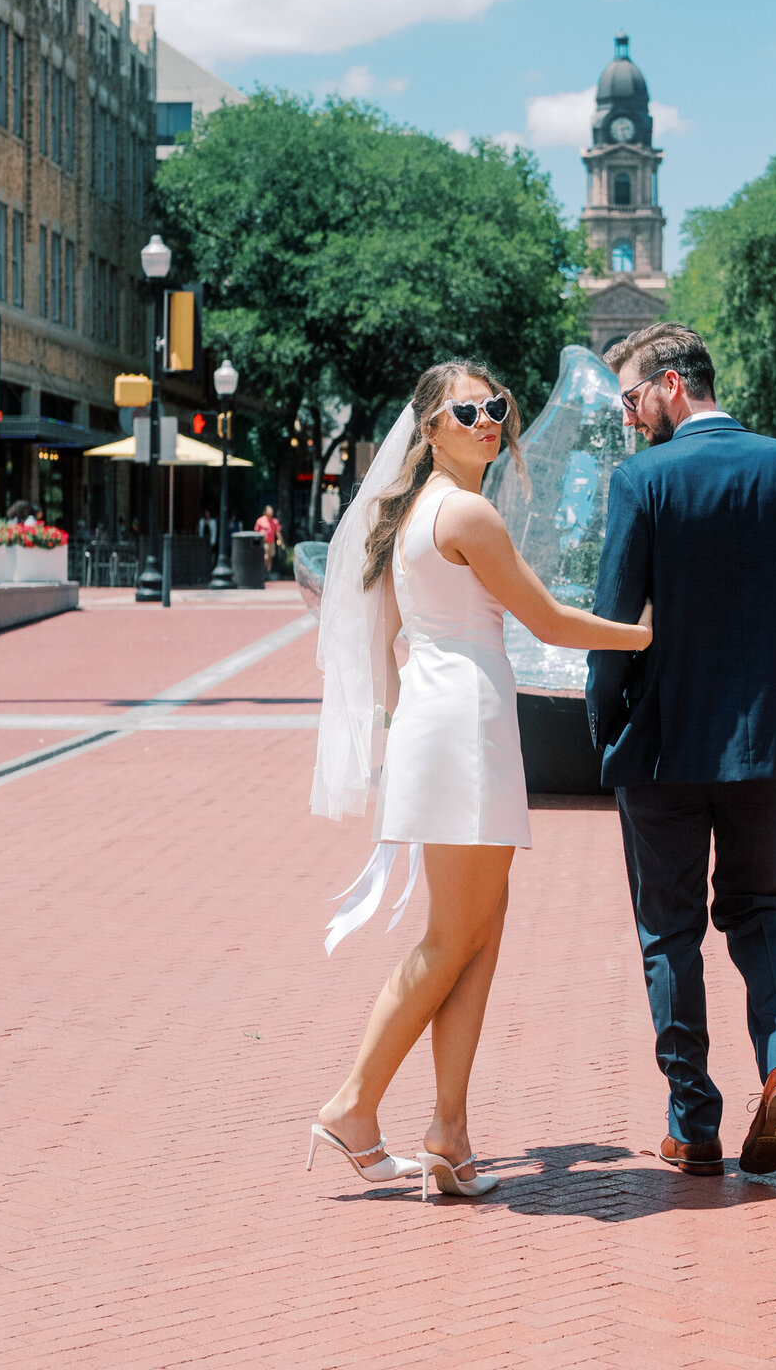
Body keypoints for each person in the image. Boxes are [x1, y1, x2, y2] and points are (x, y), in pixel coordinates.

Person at [308, 360, 651, 1200]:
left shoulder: (419, 513)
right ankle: (353, 1108)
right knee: (450, 940)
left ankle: (449, 1137)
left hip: (452, 720)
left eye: (497, 406)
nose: (489, 419)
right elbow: (549, 620)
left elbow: (394, 645)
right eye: (468, 411)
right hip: (464, 727)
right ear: (430, 428)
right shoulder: (464, 510)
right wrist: (653, 638)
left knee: (479, 936)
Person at [586, 323, 776, 1179]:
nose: (628, 419)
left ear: (668, 386)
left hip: (664, 746)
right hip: (767, 743)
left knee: (670, 931)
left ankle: (692, 1120)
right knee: (759, 910)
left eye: (631, 399)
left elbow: (615, 625)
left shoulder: (644, 480)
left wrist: (604, 722)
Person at [254, 504, 282, 572]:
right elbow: (256, 532)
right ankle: (263, 569)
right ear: (265, 512)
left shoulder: (275, 521)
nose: (271, 513)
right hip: (263, 542)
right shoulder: (260, 520)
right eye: (270, 511)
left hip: (271, 542)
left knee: (270, 557)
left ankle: (268, 570)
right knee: (265, 556)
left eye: (272, 512)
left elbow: (277, 532)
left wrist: (281, 541)